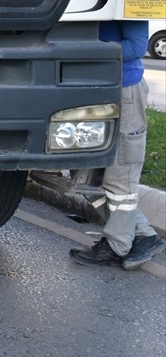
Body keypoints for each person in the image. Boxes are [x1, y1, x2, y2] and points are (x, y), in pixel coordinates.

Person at [70, 19, 166, 269]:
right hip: (93, 91)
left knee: (120, 177)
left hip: (124, 91)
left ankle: (116, 246)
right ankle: (143, 235)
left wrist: (82, 48)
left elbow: (136, 46)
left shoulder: (128, 3)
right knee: (86, 176)